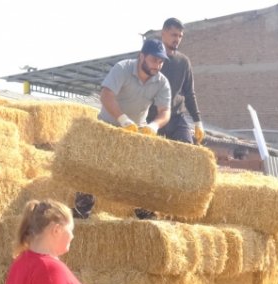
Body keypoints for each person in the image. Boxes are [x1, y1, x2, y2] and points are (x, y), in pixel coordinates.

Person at [74, 38, 172, 219]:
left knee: (142, 172)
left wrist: (154, 125)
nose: (157, 66)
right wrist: (122, 119)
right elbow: (106, 95)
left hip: (138, 131)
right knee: (93, 167)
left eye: (160, 62)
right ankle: (82, 209)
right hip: (109, 125)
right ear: (141, 56)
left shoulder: (162, 82)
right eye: (153, 60)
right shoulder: (122, 68)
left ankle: (144, 212)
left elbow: (165, 111)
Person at [147, 17, 204, 145]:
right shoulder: (150, 59)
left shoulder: (183, 62)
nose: (177, 39)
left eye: (180, 36)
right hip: (152, 117)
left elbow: (189, 93)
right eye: (174, 35)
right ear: (163, 33)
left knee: (189, 152)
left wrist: (197, 121)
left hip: (177, 117)